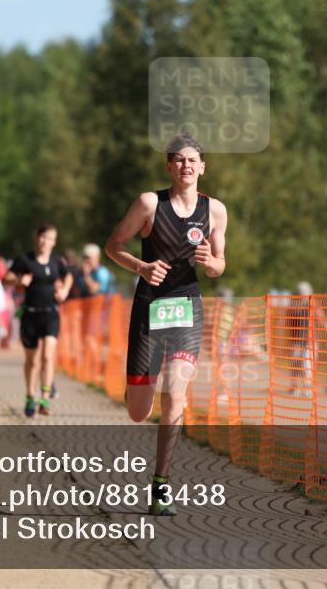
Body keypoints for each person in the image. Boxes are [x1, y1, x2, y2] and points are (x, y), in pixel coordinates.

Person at [104, 131, 228, 516]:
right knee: (139, 411)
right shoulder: (148, 204)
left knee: (176, 393)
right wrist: (142, 267)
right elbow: (113, 246)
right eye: (178, 159)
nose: (186, 165)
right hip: (149, 307)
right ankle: (136, 389)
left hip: (187, 307)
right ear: (168, 166)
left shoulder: (216, 210)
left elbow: (220, 264)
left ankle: (161, 484)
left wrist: (211, 264)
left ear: (203, 167)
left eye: (192, 160)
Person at [8, 224, 72, 417]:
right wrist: (19, 281)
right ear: (37, 238)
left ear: (54, 242)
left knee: (47, 357)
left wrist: (64, 291)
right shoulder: (25, 260)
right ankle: (30, 396)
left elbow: (68, 275)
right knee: (32, 361)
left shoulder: (56, 262)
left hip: (51, 314)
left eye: (50, 238)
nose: (45, 242)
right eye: (43, 237)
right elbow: (6, 277)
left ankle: (44, 399)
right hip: (30, 315)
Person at [286, 281, 315, 397]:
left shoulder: (312, 306)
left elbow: (319, 318)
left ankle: (307, 388)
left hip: (308, 342)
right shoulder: (294, 306)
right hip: (296, 341)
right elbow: (289, 319)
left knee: (307, 366)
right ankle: (295, 387)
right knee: (295, 364)